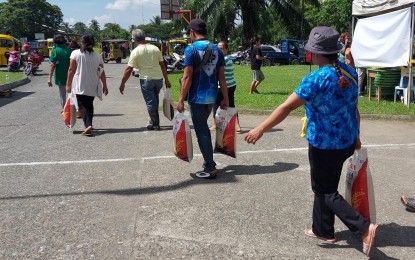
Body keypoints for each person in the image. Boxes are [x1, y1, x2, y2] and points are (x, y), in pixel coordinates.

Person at [244, 26, 378, 257]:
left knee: (325, 190)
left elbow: (286, 106)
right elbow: (353, 107)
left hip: (324, 145)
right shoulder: (349, 71)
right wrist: (356, 135)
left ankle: (363, 228)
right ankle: (323, 230)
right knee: (324, 186)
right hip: (345, 140)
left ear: (316, 54)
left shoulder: (315, 79)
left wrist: (260, 128)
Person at [177, 19, 229, 179]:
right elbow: (222, 77)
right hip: (212, 97)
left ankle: (210, 166)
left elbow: (187, 77)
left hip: (197, 98)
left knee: (202, 132)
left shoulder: (191, 50)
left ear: (192, 32)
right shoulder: (217, 50)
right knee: (204, 129)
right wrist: (225, 98)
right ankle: (208, 162)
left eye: (188, 34)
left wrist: (180, 99)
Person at [119, 29, 171, 130]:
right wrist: (167, 80)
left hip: (146, 80)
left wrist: (122, 83)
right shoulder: (155, 48)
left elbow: (128, 69)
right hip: (158, 79)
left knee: (150, 101)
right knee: (155, 99)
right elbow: (162, 65)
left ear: (134, 39)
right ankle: (153, 120)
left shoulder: (135, 51)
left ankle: (155, 124)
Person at [66, 34, 108, 136]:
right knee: (89, 104)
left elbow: (71, 70)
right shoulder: (97, 56)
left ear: (82, 42)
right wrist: (105, 85)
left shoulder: (75, 53)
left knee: (82, 106)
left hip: (80, 84)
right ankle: (89, 124)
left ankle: (88, 125)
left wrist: (68, 84)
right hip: (93, 83)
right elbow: (101, 71)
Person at [210, 41, 241, 133]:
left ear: (226, 50)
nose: (219, 50)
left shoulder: (224, 59)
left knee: (215, 105)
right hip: (231, 85)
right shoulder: (228, 58)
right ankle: (237, 126)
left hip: (223, 87)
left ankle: (215, 125)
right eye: (218, 48)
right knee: (231, 105)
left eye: (221, 48)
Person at [48, 34, 72, 113]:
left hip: (60, 76)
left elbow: (52, 65)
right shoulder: (70, 50)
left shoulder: (55, 51)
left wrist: (49, 78)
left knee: (63, 95)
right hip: (71, 76)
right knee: (72, 93)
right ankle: (74, 109)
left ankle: (65, 110)